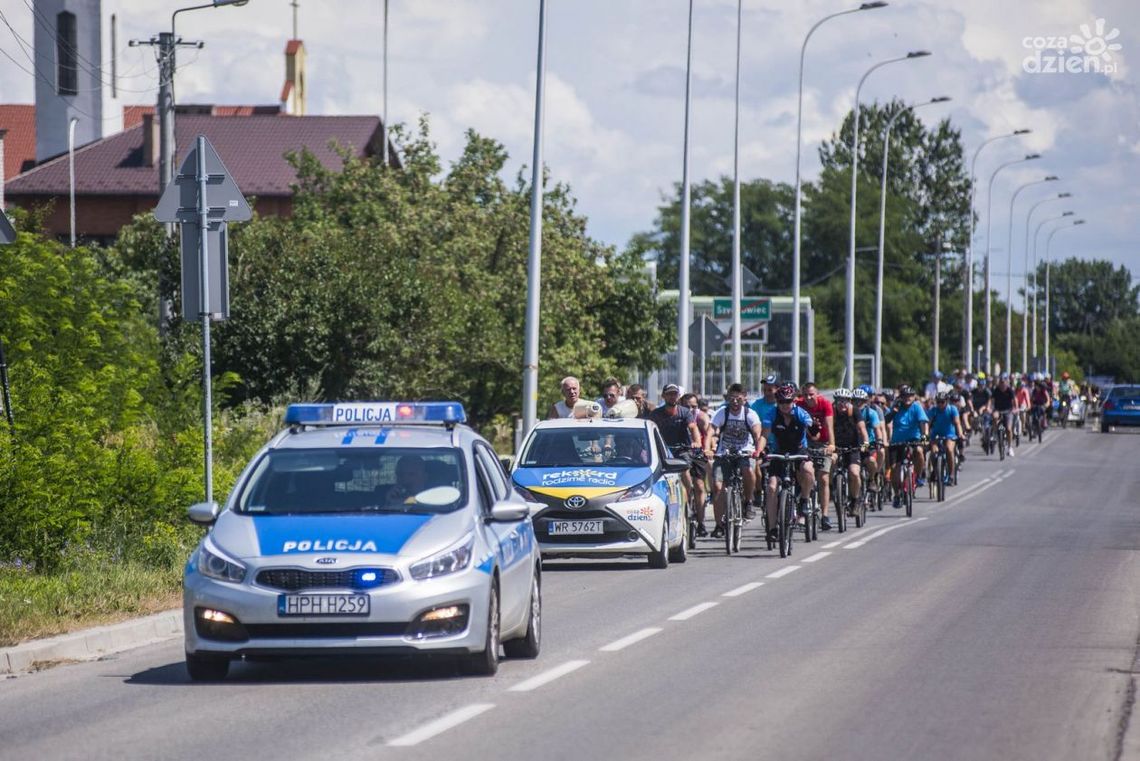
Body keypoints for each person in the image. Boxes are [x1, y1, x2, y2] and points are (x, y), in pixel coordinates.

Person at [756, 382, 816, 542]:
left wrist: (815, 428)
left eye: (788, 402)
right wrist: (759, 450)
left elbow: (813, 431)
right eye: (781, 402)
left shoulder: (801, 414)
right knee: (771, 487)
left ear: (794, 401)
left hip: (799, 450)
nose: (784, 405)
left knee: (808, 469)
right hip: (779, 452)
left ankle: (804, 500)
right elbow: (764, 435)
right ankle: (773, 529)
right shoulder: (771, 414)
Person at [706, 383, 762, 536]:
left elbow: (757, 433)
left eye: (738, 399)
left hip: (745, 451)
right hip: (724, 453)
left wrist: (757, 449)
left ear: (744, 398)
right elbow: (710, 431)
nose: (735, 402)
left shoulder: (750, 414)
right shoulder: (722, 413)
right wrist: (707, 449)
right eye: (732, 399)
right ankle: (719, 526)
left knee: (748, 470)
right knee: (717, 488)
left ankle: (748, 501)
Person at [649, 384, 704, 532]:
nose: (672, 397)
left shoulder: (685, 412)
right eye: (669, 394)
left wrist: (697, 442)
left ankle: (688, 497)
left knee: (685, 470)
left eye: (675, 394)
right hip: (663, 451)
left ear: (678, 396)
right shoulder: (656, 414)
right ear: (663, 396)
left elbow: (693, 428)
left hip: (682, 450)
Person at [798, 382, 836, 531]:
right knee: (802, 474)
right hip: (805, 443)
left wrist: (832, 446)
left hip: (823, 443)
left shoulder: (825, 404)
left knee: (824, 478)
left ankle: (825, 515)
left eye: (811, 394)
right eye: (806, 394)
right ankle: (802, 507)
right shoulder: (799, 404)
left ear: (817, 394)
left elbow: (829, 426)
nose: (808, 398)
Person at [888, 385, 929, 507]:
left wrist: (924, 437)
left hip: (914, 439)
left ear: (914, 396)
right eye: (905, 396)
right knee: (895, 468)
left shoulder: (917, 407)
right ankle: (896, 494)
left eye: (910, 395)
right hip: (897, 441)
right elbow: (886, 421)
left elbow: (923, 423)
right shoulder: (896, 406)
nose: (908, 398)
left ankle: (917, 475)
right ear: (901, 397)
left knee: (919, 451)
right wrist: (893, 411)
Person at [831, 388, 869, 517]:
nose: (842, 404)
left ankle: (855, 500)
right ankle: (831, 489)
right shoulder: (832, 412)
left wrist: (865, 444)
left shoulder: (855, 411)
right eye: (839, 401)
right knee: (829, 465)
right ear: (835, 401)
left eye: (846, 401)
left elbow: (862, 429)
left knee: (854, 472)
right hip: (835, 447)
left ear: (849, 401)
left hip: (853, 447)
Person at [854, 387, 884, 494]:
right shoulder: (849, 412)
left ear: (865, 401)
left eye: (861, 401)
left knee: (871, 461)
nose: (858, 403)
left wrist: (879, 440)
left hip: (868, 444)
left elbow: (877, 429)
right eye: (855, 400)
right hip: (853, 444)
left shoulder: (871, 413)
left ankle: (872, 479)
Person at [928, 391, 964, 483]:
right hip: (936, 434)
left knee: (949, 449)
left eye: (942, 402)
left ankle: (951, 474)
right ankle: (936, 471)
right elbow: (927, 424)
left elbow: (957, 423)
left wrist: (960, 434)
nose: (940, 404)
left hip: (949, 434)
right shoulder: (933, 410)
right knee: (933, 451)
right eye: (938, 402)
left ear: (947, 401)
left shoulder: (952, 409)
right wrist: (925, 435)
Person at [989, 374, 1016, 456]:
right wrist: (990, 408)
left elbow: (1014, 401)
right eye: (1001, 382)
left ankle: (1010, 447)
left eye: (1003, 382)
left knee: (1008, 429)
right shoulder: (996, 390)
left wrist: (1015, 408)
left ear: (1006, 383)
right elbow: (991, 400)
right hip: (998, 410)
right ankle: (994, 433)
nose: (1002, 384)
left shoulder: (1009, 390)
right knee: (994, 417)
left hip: (1008, 411)